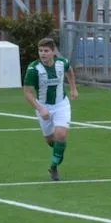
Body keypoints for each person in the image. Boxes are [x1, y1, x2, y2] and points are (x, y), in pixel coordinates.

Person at [23, 36, 79, 181]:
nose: (43, 54)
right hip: (43, 105)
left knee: (60, 135)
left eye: (46, 51)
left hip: (61, 104)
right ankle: (58, 152)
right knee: (50, 140)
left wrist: (73, 88)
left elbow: (69, 71)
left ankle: (54, 166)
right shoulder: (33, 69)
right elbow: (28, 93)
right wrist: (40, 108)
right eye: (40, 51)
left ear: (53, 52)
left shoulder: (62, 63)